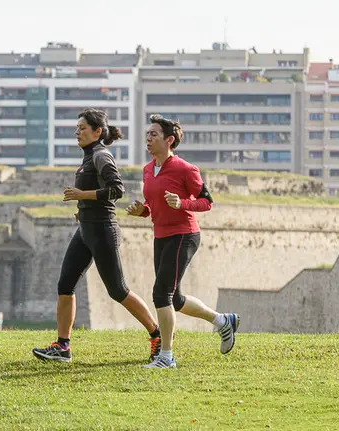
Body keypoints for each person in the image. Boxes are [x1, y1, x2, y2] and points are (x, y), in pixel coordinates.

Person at [32, 108, 162, 363]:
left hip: (103, 230)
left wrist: (83, 197)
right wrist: (82, 211)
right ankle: (63, 346)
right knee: (65, 285)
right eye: (76, 128)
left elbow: (117, 190)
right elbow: (94, 192)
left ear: (97, 132)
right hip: (86, 230)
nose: (77, 132)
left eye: (82, 128)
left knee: (118, 290)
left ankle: (157, 336)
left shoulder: (102, 155)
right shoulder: (87, 157)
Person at [126, 114, 240, 369]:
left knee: (161, 294)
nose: (148, 137)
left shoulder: (186, 169)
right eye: (148, 133)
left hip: (184, 235)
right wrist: (141, 211)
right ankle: (223, 321)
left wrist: (183, 203)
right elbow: (153, 206)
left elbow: (207, 201)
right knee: (174, 299)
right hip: (161, 236)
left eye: (154, 134)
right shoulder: (147, 169)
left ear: (169, 140)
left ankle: (166, 357)